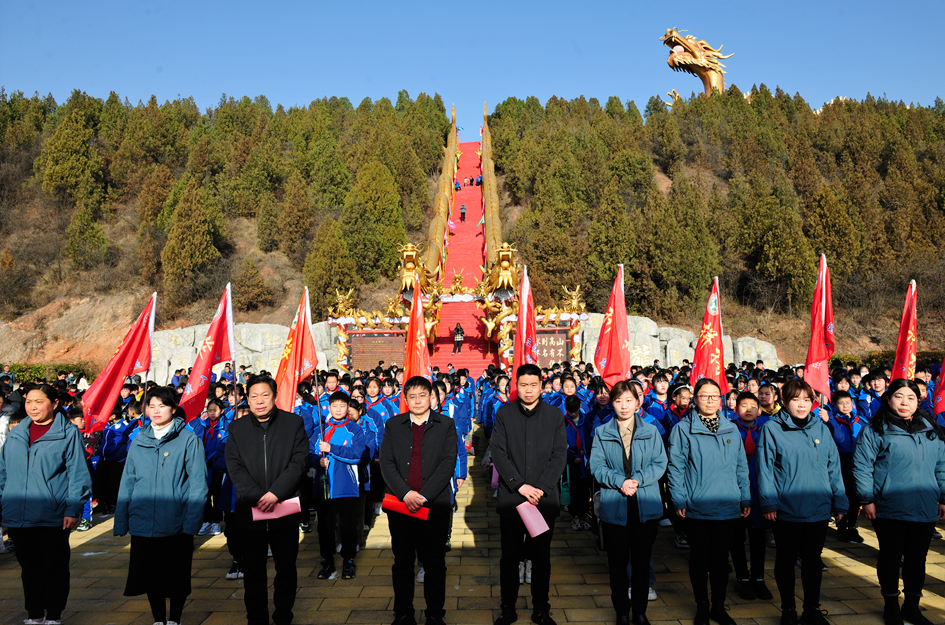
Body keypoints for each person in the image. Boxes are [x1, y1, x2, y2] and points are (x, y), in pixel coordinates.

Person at [853, 379, 945, 625]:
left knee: (918, 559)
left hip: (925, 506)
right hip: (888, 506)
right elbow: (862, 466)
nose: (905, 402)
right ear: (888, 399)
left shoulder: (930, 429)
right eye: (899, 396)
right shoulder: (875, 429)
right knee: (891, 557)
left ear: (919, 401)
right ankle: (891, 605)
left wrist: (943, 495)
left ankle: (912, 606)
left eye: (911, 398)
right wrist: (867, 498)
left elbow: (941, 466)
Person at [114, 386, 208, 625]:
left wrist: (192, 521)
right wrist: (122, 519)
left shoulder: (188, 439)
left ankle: (175, 618)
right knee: (149, 574)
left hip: (175, 521)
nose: (156, 411)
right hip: (143, 521)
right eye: (151, 406)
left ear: (174, 408)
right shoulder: (138, 440)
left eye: (162, 405)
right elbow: (128, 482)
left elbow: (198, 483)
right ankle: (158, 619)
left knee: (176, 576)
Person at [756, 378, 847, 625]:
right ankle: (788, 610)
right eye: (795, 399)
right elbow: (764, 469)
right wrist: (769, 502)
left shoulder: (820, 428)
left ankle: (812, 609)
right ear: (784, 402)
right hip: (785, 508)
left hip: (818, 508)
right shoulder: (772, 428)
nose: (802, 405)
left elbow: (833, 468)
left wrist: (840, 501)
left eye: (807, 400)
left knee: (812, 561)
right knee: (785, 560)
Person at [0, 383, 92, 625]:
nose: (32, 407)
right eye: (29, 401)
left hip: (53, 514)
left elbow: (79, 475)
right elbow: (3, 473)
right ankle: (35, 615)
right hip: (18, 515)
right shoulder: (17, 434)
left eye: (39, 401)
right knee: (29, 569)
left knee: (54, 568)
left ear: (54, 404)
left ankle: (53, 615)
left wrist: (73, 509)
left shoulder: (67, 433)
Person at [225, 375, 309, 625]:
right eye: (254, 396)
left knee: (286, 570)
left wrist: (275, 494)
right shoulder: (237, 428)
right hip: (250, 513)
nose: (259, 401)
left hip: (284, 510)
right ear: (247, 399)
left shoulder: (293, 423)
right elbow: (234, 467)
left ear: (274, 396)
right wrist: (257, 496)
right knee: (253, 572)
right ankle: (257, 619)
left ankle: (284, 617)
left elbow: (299, 462)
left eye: (265, 395)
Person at [667, 378, 749, 625]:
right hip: (697, 506)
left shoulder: (731, 428)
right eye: (705, 395)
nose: (711, 400)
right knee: (700, 559)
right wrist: (679, 499)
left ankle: (718, 606)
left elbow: (741, 466)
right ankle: (702, 606)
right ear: (695, 399)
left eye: (715, 395)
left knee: (721, 561)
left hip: (728, 505)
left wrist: (745, 496)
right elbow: (676, 468)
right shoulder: (683, 429)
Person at [491, 364, 567, 625]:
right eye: (523, 385)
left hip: (543, 500)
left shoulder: (555, 415)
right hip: (513, 498)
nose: (529, 390)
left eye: (533, 385)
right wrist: (519, 485)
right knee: (510, 557)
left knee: (541, 558)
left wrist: (541, 487)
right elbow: (498, 453)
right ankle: (508, 607)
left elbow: (559, 455)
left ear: (541, 386)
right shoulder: (504, 414)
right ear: (517, 386)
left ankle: (541, 609)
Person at [380, 376, 458, 625]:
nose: (417, 400)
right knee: (402, 562)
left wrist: (424, 496)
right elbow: (387, 463)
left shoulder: (446, 425)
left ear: (431, 398)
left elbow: (448, 463)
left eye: (422, 395)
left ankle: (435, 614)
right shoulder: (393, 425)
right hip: (401, 505)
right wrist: (405, 494)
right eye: (411, 396)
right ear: (405, 399)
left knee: (435, 562)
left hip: (434, 506)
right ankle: (403, 613)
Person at [590, 381, 667, 625]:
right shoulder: (602, 432)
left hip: (646, 504)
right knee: (618, 563)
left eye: (629, 400)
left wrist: (638, 480)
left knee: (642, 562)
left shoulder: (651, 430)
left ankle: (640, 611)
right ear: (612, 403)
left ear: (638, 402)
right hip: (615, 505)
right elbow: (596, 466)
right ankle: (622, 611)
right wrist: (620, 481)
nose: (624, 406)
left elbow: (659, 463)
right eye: (618, 400)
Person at [311, 391, 367, 580]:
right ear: (329, 407)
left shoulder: (355, 430)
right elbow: (308, 452)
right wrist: (317, 461)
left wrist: (331, 449)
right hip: (324, 487)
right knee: (325, 528)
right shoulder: (321, 429)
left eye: (342, 406)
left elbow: (357, 454)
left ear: (348, 408)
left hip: (346, 487)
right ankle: (327, 561)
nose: (338, 409)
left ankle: (349, 560)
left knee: (347, 526)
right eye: (334, 405)